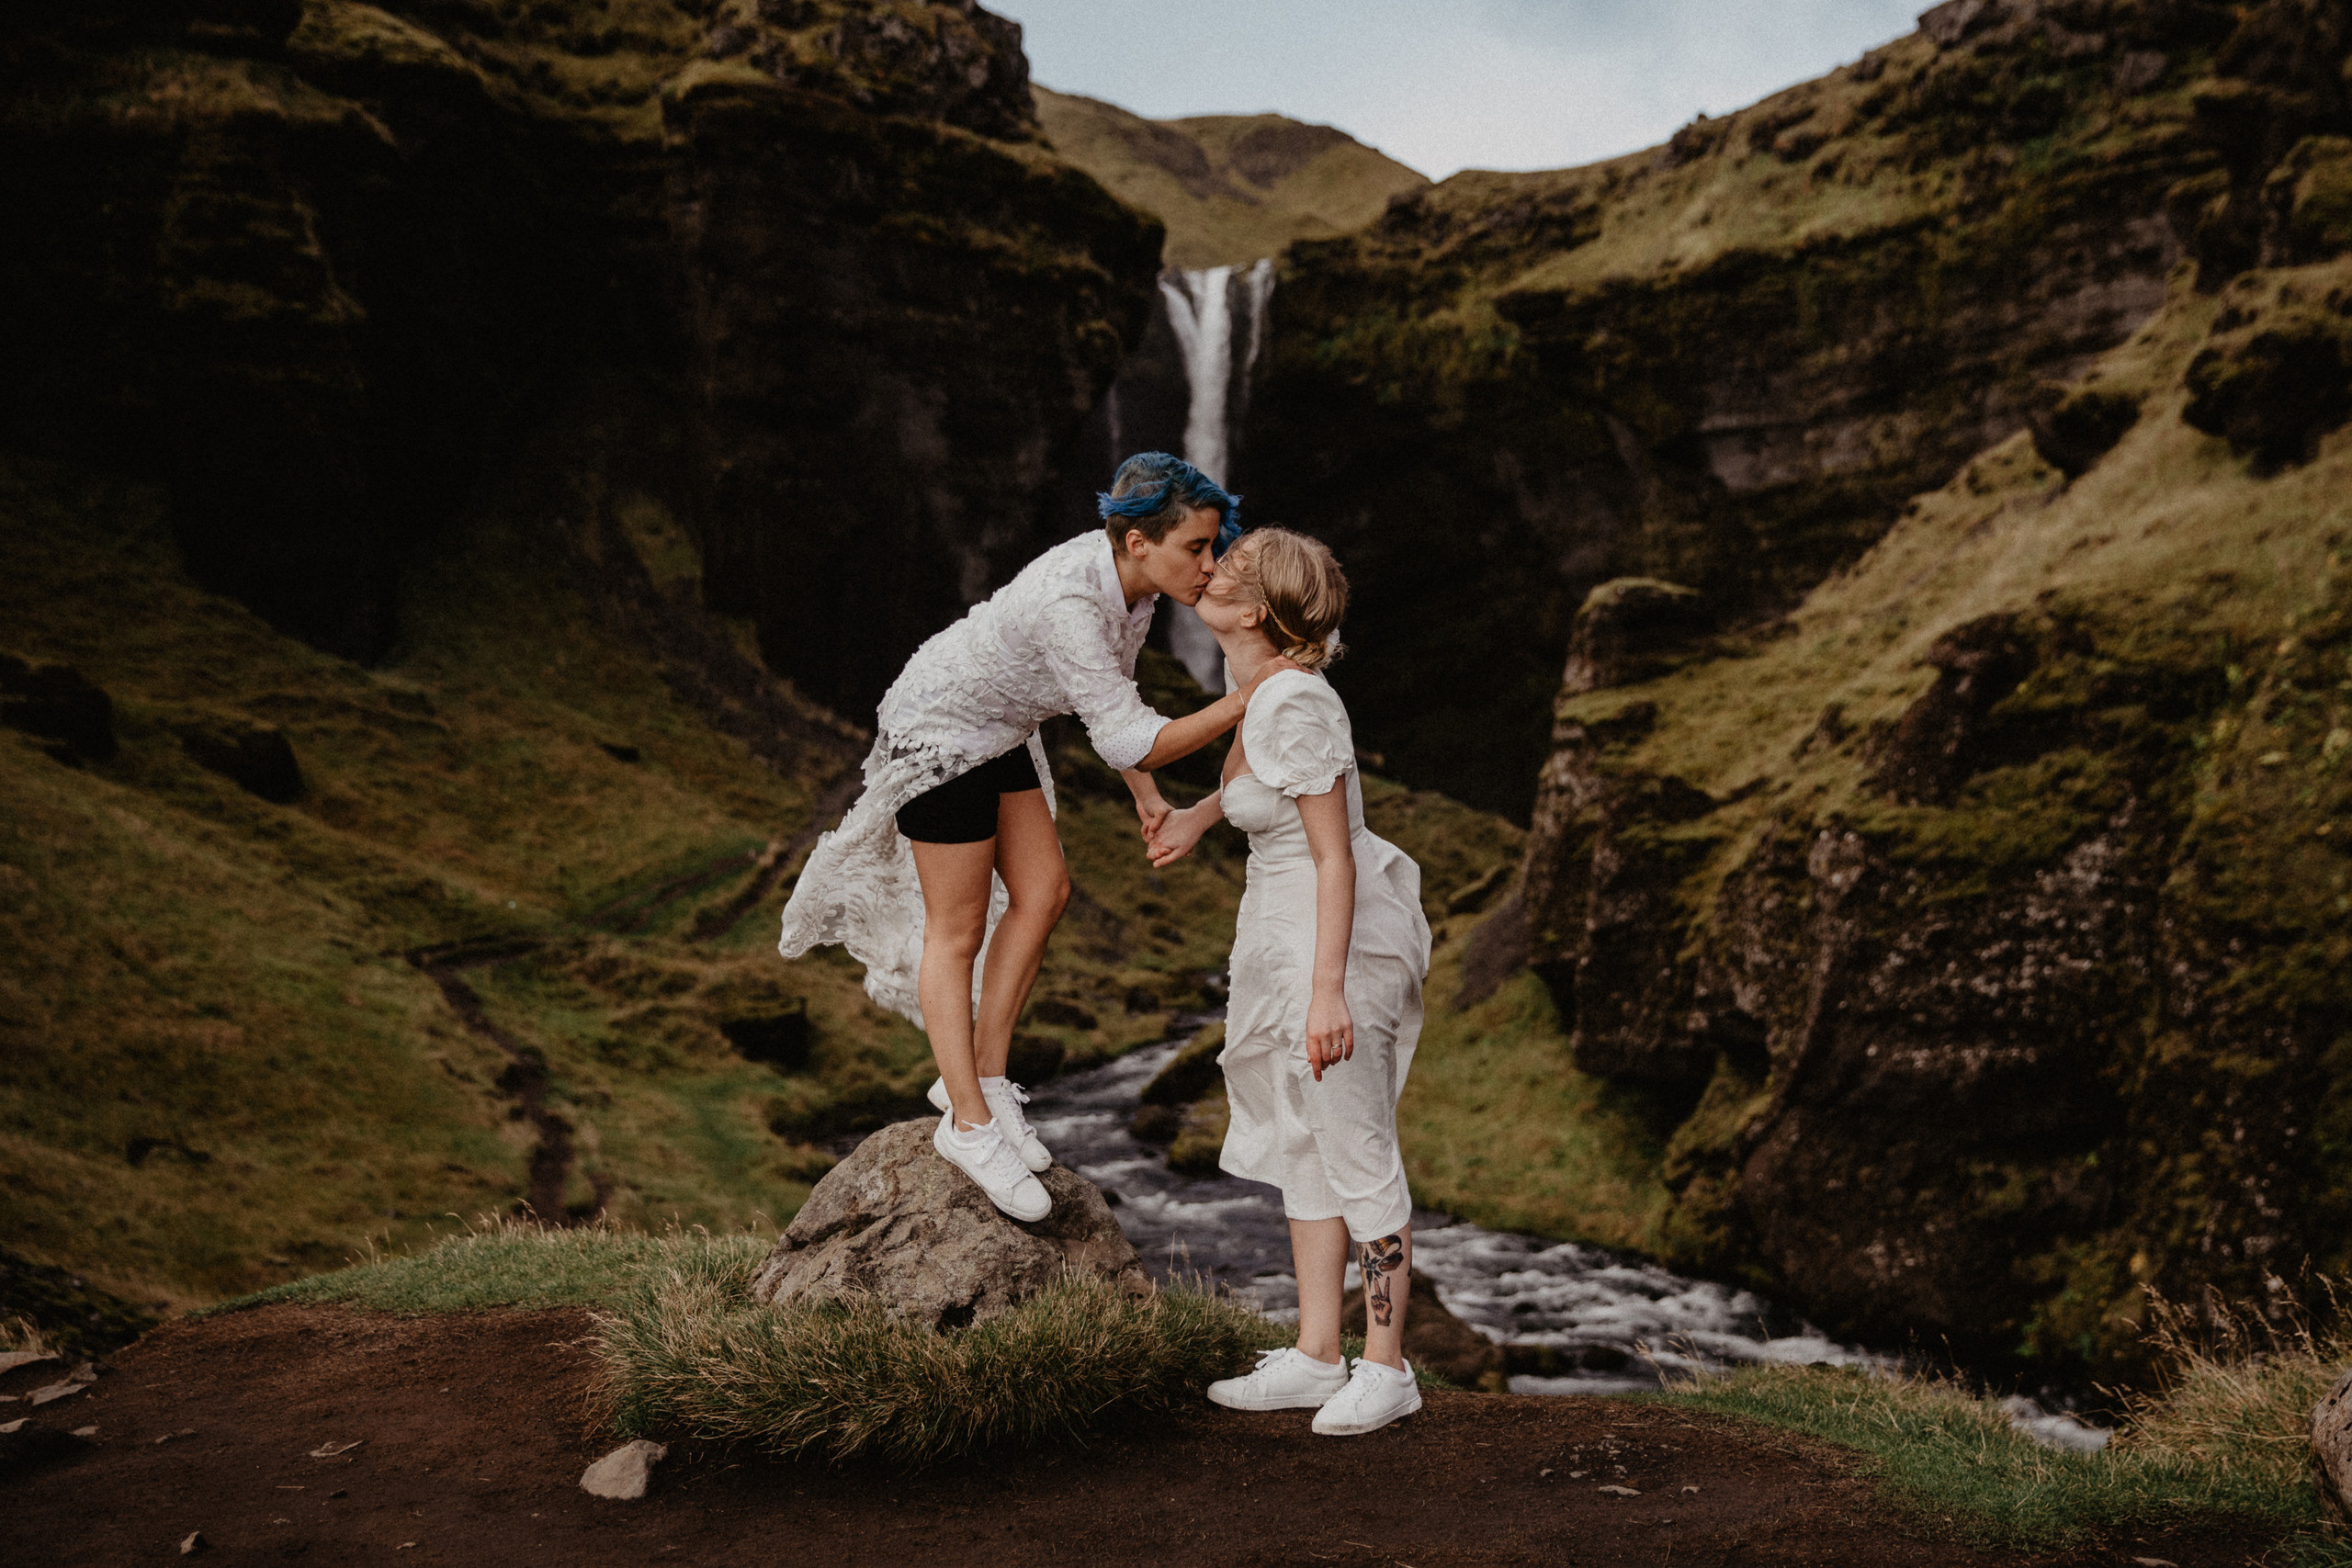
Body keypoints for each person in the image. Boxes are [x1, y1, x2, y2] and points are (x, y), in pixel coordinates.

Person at [778, 454, 1282, 1223]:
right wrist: (1248, 697)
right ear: (1138, 541)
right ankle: (967, 1125)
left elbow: (1109, 701)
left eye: (1213, 546)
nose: (1210, 565)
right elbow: (1132, 736)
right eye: (1196, 547)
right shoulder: (1071, 600)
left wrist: (1146, 795)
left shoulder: (1138, 593)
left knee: (1044, 891)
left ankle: (980, 1080)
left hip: (1000, 728)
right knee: (956, 929)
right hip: (937, 727)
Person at [1145, 528, 1433, 1438]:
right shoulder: (1261, 687)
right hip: (1281, 936)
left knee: (1357, 1147)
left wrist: (1327, 992)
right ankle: (1315, 1356)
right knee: (1308, 1144)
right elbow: (1257, 781)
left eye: (1230, 569)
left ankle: (1386, 1368)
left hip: (1332, 942)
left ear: (1255, 611)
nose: (1210, 568)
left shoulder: (1298, 703)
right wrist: (1197, 818)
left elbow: (1333, 857)